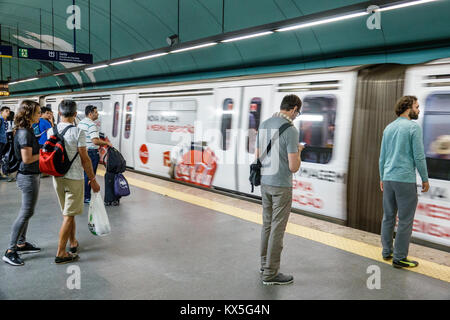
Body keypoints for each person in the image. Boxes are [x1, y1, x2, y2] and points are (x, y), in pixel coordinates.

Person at [256, 94, 304, 285]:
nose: (296, 116)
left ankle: (263, 265)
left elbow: (257, 154)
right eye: (297, 112)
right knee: (277, 228)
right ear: (293, 109)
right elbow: (293, 167)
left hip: (265, 183)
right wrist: (299, 151)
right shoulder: (291, 130)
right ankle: (270, 273)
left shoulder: (264, 123)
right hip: (281, 185)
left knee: (267, 225)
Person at [379, 95, 430, 269]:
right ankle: (400, 257)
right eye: (416, 106)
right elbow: (419, 156)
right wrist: (424, 178)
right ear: (408, 108)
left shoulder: (389, 128)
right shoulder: (413, 128)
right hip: (405, 180)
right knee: (405, 220)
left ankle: (387, 251)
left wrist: (382, 177)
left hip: (388, 178)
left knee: (388, 217)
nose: (418, 110)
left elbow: (382, 157)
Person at [48, 100, 100, 264]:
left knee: (67, 213)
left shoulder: (51, 130)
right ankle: (61, 252)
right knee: (69, 215)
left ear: (59, 113)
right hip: (75, 178)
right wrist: (92, 179)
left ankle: (73, 242)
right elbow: (85, 160)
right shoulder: (78, 132)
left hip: (57, 177)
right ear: (75, 114)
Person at [2, 101, 42, 266]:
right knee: (26, 213)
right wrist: (45, 153)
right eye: (38, 112)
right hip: (27, 177)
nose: (40, 114)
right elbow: (26, 159)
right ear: (29, 114)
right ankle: (10, 250)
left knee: (28, 212)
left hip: (31, 175)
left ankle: (21, 243)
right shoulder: (24, 133)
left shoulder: (27, 130)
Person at [78, 105, 111, 204]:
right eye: (96, 112)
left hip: (83, 150)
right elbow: (95, 141)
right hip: (92, 153)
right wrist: (106, 143)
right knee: (90, 175)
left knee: (84, 174)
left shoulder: (81, 123)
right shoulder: (92, 125)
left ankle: (84, 195)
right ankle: (87, 197)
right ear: (90, 113)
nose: (98, 114)